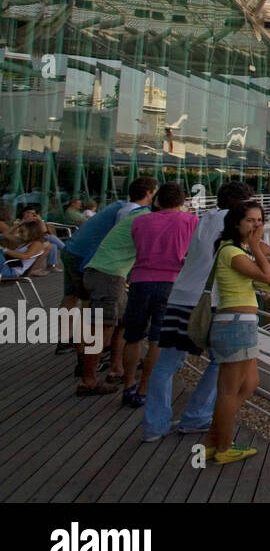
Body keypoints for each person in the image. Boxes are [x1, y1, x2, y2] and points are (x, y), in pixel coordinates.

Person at [142, 182, 253, 443]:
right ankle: (196, 416)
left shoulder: (203, 219)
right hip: (211, 303)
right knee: (221, 361)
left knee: (166, 364)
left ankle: (153, 425)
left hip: (180, 295)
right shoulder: (237, 223)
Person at [202, 201, 270, 464]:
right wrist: (256, 246)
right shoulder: (232, 252)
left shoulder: (236, 250)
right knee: (229, 391)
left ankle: (212, 439)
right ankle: (223, 447)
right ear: (236, 223)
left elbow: (268, 253)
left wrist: (257, 245)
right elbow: (268, 276)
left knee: (249, 383)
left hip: (240, 322)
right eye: (250, 221)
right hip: (234, 324)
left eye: (259, 220)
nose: (256, 225)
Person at [120, 183, 198, 409]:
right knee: (157, 339)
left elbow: (137, 245)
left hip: (140, 280)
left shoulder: (140, 220)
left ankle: (128, 385)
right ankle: (144, 390)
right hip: (171, 282)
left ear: (158, 201)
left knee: (133, 336)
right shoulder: (190, 221)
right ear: (182, 202)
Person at [78, 177, 158, 394]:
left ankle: (116, 368)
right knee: (101, 329)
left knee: (121, 322)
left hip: (110, 274)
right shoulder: (147, 219)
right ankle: (87, 380)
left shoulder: (139, 215)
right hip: (108, 275)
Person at [57, 194, 135, 355]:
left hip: (72, 249)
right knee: (88, 302)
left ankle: (65, 340)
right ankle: (83, 349)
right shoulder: (128, 211)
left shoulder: (119, 205)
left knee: (71, 296)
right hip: (84, 256)